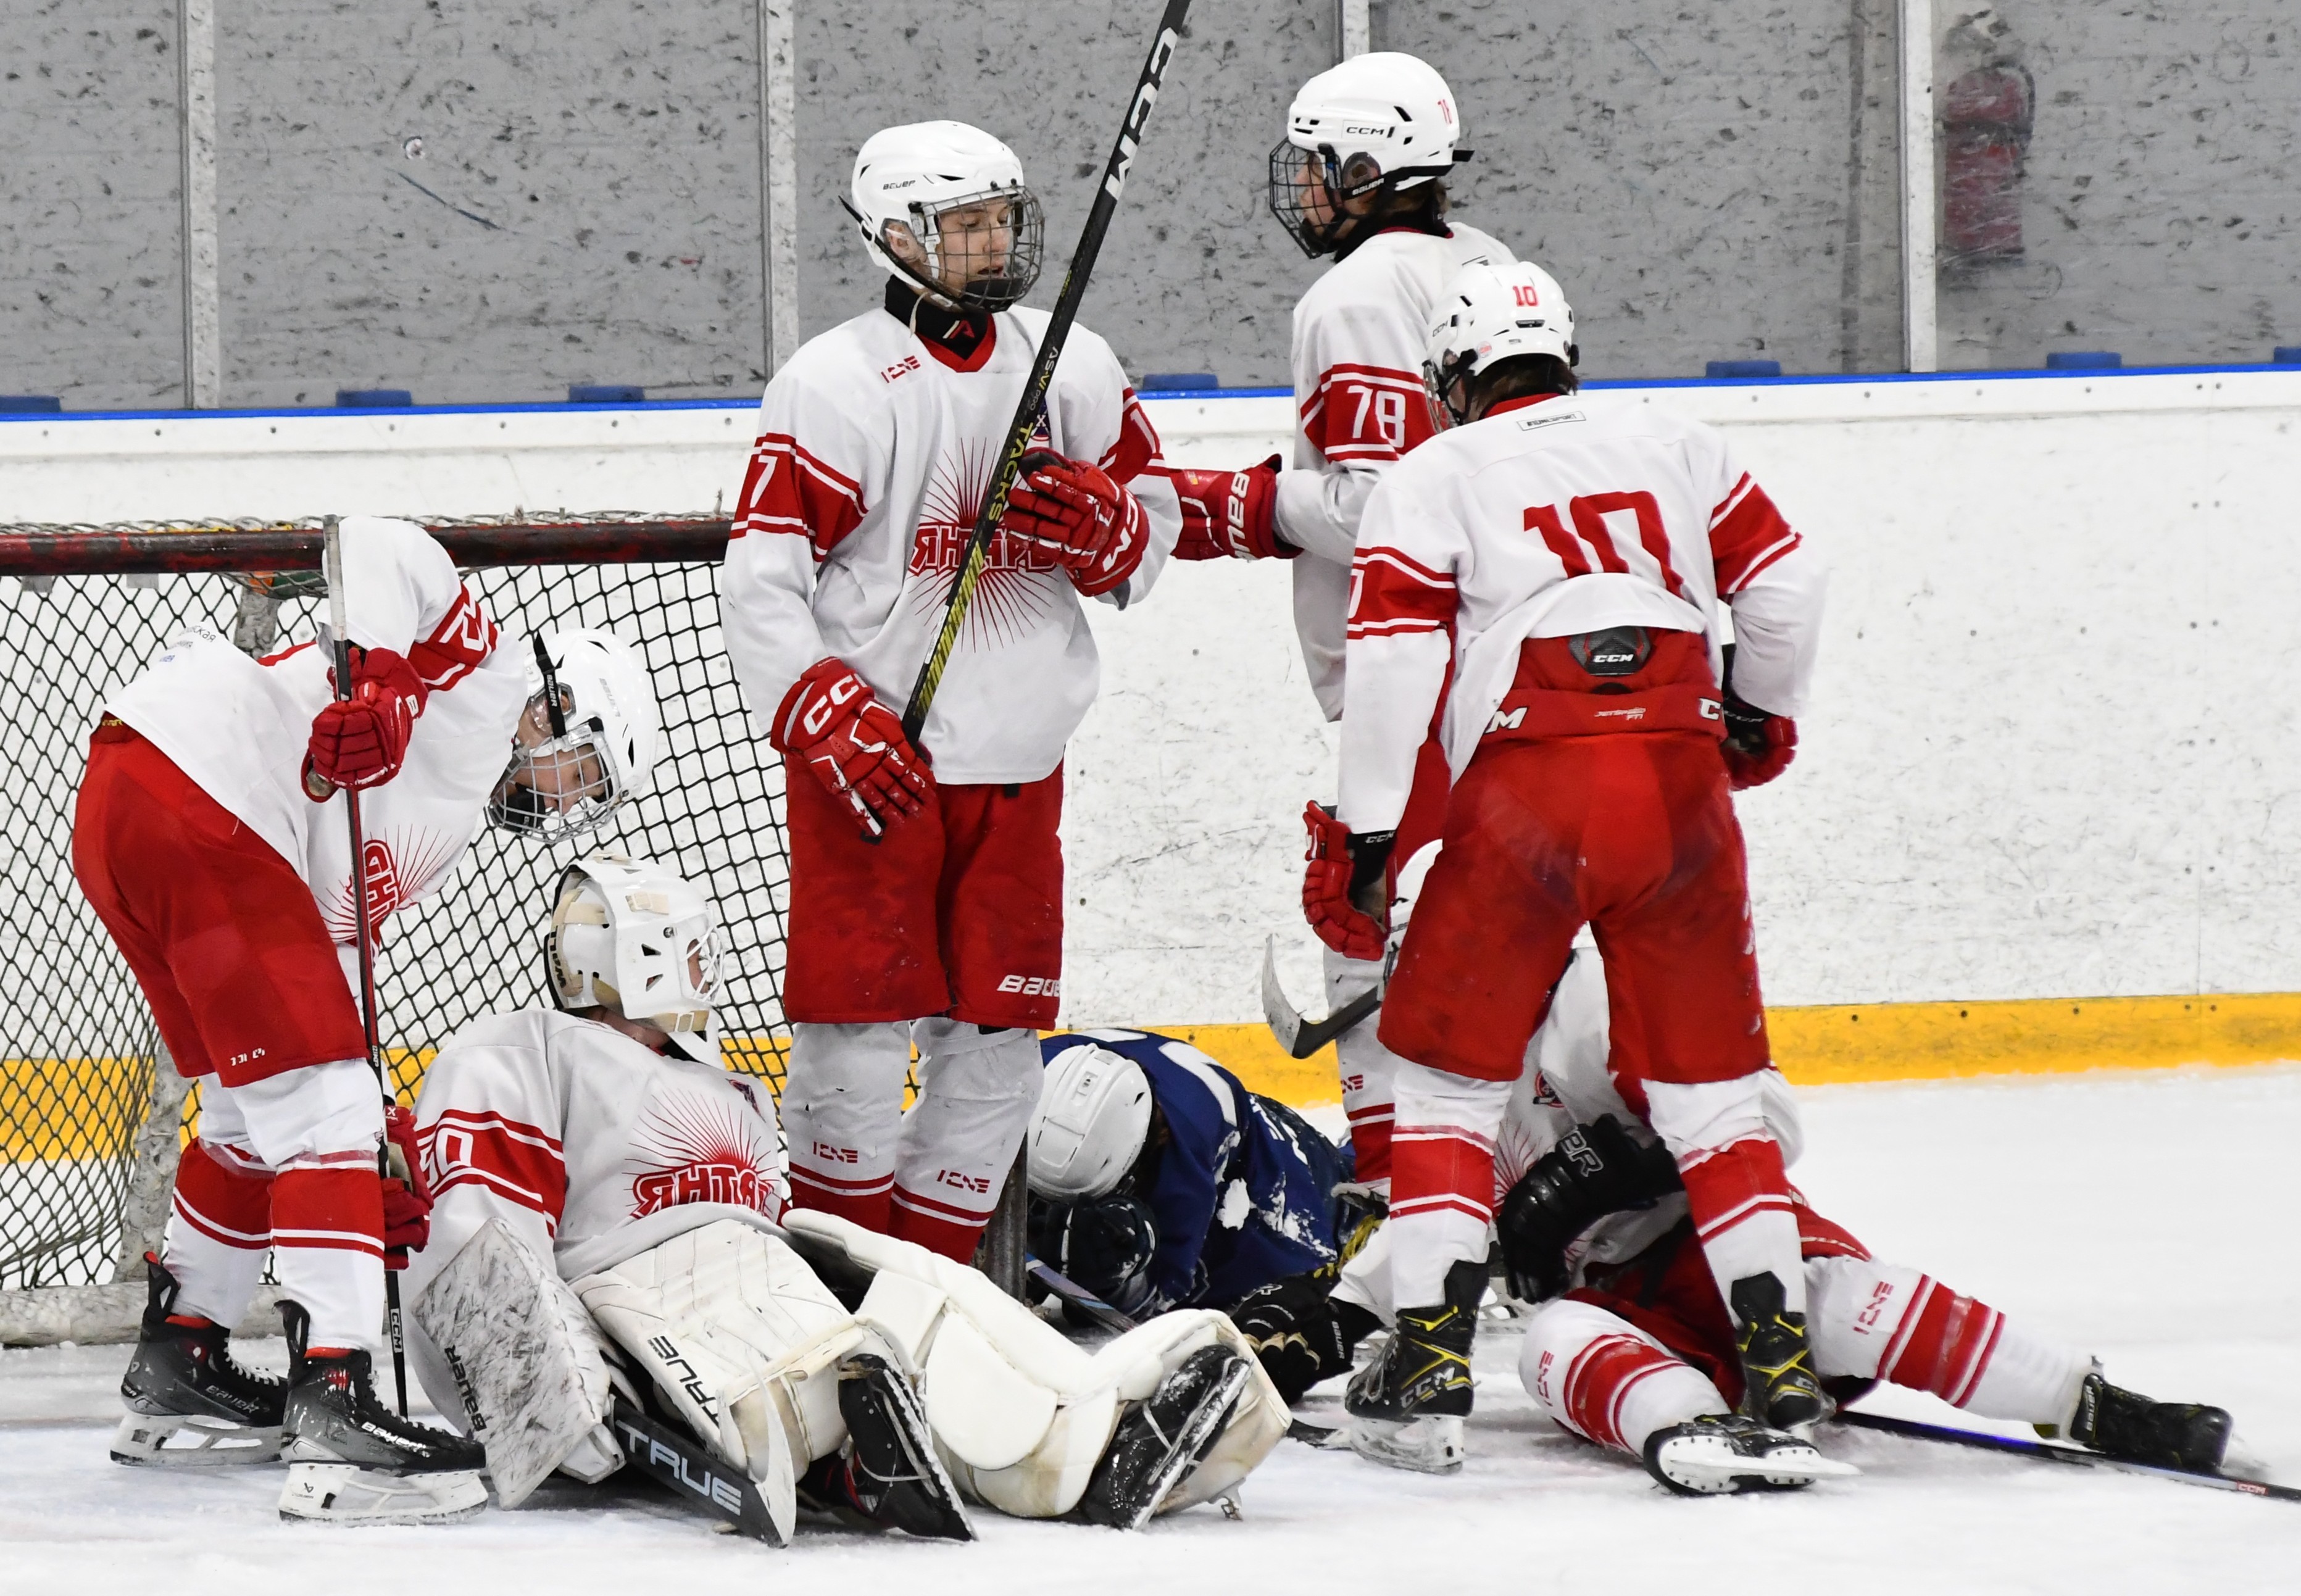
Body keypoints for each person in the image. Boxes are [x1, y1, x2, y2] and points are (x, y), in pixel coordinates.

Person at [1312, 257, 1829, 1469]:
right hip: (1677, 780)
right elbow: (1789, 578)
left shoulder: (1432, 472)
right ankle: (1783, 1366)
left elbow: (1389, 659)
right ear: (1565, 354)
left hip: (1527, 789)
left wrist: (1372, 830)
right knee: (1713, 1099)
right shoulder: (1673, 437)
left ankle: (1432, 1349)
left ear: (1452, 375)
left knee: (1441, 1085)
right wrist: (1758, 706)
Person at [404, 857, 1288, 1536]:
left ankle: (1090, 1434)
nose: (706, 969)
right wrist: (545, 1385)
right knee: (808, 1365)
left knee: (930, 1300)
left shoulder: (724, 1085)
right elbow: (479, 1223)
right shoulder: (525, 1049)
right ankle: (830, 1449)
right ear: (645, 955)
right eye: (692, 950)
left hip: (768, 1268)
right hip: (631, 1289)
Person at [81, 514, 659, 1476]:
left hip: (135, 807)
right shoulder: (488, 685)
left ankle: (182, 1351)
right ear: (561, 707)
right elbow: (383, 542)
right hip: (198, 785)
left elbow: (328, 940)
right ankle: (337, 1398)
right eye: (583, 769)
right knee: (321, 1118)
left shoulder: (444, 819)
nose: (564, 801)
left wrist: (378, 1135)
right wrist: (385, 683)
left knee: (248, 1113)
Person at [1237, 948, 2238, 1495]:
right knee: (1551, 1334)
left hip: (1729, 1252)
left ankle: (2091, 1402)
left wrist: (1604, 1163)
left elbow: (1769, 1123)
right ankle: (1693, 1432)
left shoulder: (1599, 1000)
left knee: (1843, 1305)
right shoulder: (1444, 1086)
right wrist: (1332, 1317)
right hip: (1625, 1311)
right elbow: (1431, 1229)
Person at [719, 120, 1182, 1264]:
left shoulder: (1072, 362)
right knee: (857, 1039)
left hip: (1022, 759)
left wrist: (1114, 530)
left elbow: (1151, 524)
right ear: (891, 236)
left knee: (995, 1043)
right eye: (961, 225)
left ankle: (931, 1291)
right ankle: (841, 1288)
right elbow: (763, 574)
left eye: (998, 220)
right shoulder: (830, 383)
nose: (988, 245)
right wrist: (817, 703)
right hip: (874, 759)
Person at [1167, 52, 1516, 1195]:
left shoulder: (1355, 296)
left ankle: (1399, 1196)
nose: (1306, 188)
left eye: (1320, 165)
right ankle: (1503, 1184)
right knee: (1486, 936)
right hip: (1505, 656)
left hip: (1425, 666)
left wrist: (1240, 504)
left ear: (1367, 167)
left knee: (1360, 918)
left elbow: (1382, 506)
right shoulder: (1488, 263)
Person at [1023, 1029, 1355, 1319]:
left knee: (1348, 1245)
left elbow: (1163, 1297)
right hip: (1195, 1107)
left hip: (1273, 1162)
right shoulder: (1030, 1074)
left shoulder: (1186, 1164)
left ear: (1158, 1138)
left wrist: (1118, 1281)